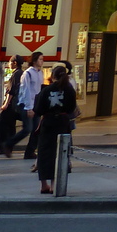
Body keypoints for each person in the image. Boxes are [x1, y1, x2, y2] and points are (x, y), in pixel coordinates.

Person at [32, 65, 76, 194]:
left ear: (53, 76)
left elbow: (38, 109)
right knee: (60, 153)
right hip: (62, 123)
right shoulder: (69, 90)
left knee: (45, 152)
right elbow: (71, 108)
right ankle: (54, 184)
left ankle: (44, 184)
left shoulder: (46, 90)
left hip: (48, 123)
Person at [4, 51, 44, 159]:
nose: (42, 61)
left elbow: (38, 90)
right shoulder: (28, 73)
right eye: (40, 59)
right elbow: (25, 91)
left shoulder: (40, 73)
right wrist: (29, 107)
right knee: (28, 128)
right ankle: (8, 144)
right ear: (35, 60)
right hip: (26, 104)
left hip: (36, 104)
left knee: (36, 129)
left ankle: (30, 151)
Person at [0, 55, 23, 157]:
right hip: (16, 104)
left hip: (10, 104)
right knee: (10, 126)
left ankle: (3, 147)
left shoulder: (16, 74)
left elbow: (12, 90)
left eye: (10, 62)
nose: (9, 64)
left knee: (1, 125)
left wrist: (5, 104)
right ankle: (8, 147)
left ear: (14, 62)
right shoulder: (21, 73)